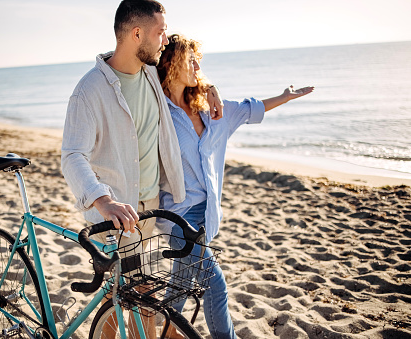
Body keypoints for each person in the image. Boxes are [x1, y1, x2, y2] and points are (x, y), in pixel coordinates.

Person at [61, 1, 221, 337]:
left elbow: (185, 74)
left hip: (149, 213)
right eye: (160, 32)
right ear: (137, 34)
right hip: (115, 218)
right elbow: (73, 155)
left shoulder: (151, 72)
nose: (165, 40)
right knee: (127, 302)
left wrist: (209, 89)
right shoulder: (89, 92)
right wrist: (102, 201)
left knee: (135, 300)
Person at [155, 33, 314, 339]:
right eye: (190, 59)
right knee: (215, 285)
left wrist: (283, 96)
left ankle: (160, 334)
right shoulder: (158, 110)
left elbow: (249, 108)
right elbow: (138, 68)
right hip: (178, 217)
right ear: (171, 62)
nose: (197, 64)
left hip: (207, 216)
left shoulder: (213, 112)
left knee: (179, 288)